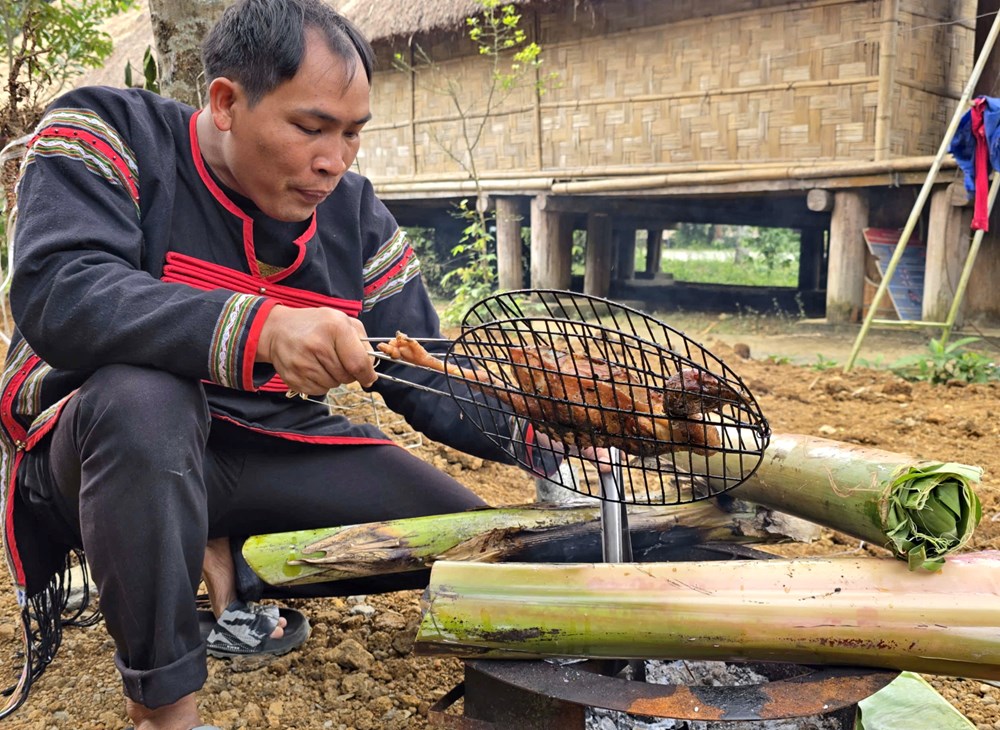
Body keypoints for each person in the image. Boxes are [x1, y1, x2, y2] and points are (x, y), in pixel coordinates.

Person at [0, 1, 552, 727]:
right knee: (145, 400)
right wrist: (262, 327)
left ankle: (227, 556)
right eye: (311, 128)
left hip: (263, 444)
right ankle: (165, 708)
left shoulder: (353, 217)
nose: (334, 161)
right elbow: (61, 291)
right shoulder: (109, 133)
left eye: (351, 133)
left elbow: (424, 371)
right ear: (226, 103)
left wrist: (557, 433)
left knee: (480, 543)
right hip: (100, 451)